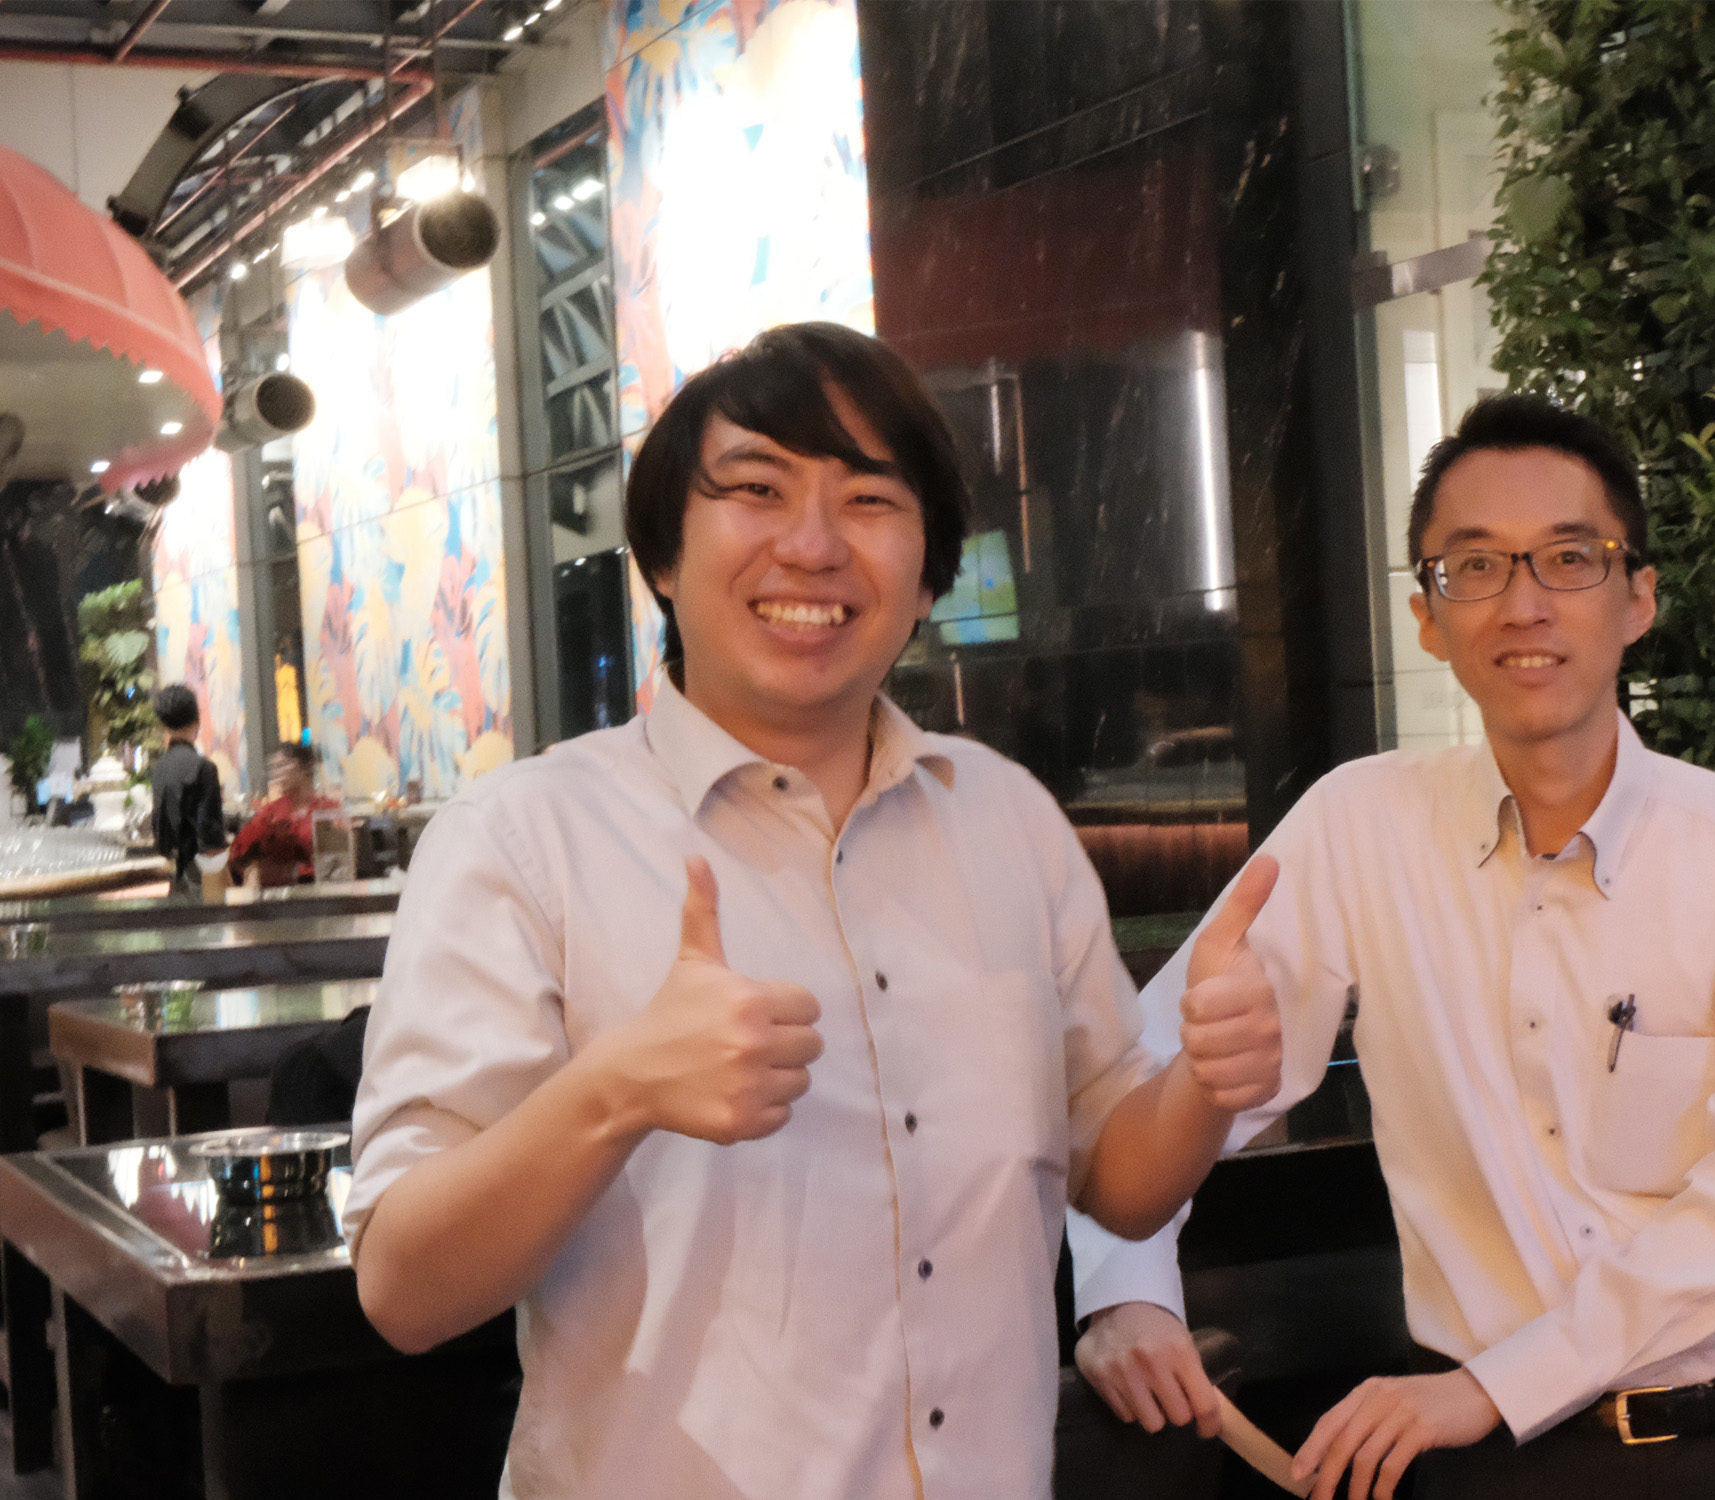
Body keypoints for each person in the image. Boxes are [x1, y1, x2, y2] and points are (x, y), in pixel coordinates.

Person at [345, 322, 1285, 1500]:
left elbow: (1117, 1179)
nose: (812, 544)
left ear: (928, 575)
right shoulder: (525, 839)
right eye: (757, 489)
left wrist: (1205, 1081)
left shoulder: (1004, 816)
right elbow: (404, 1289)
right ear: (663, 557)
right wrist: (615, 1091)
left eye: (870, 500)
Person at [1070, 394, 1715, 1500]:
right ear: (1427, 618)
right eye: (1477, 567)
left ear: (1639, 598)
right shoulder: (1360, 826)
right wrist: (1124, 1289)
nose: (1524, 604)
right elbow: (1150, 1073)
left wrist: (1499, 1384)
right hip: (1486, 1470)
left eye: (1569, 560)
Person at [147, 684, 226, 898]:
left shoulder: (159, 768)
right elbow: (210, 839)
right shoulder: (203, 768)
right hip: (198, 880)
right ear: (197, 720)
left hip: (169, 878)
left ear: (163, 724)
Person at [225, 742, 337, 887]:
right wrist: (253, 871)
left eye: (282, 765)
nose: (276, 774)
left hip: (323, 885)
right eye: (274, 767)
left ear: (306, 768)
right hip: (280, 887)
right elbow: (239, 852)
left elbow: (340, 857)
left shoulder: (328, 808)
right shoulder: (270, 812)